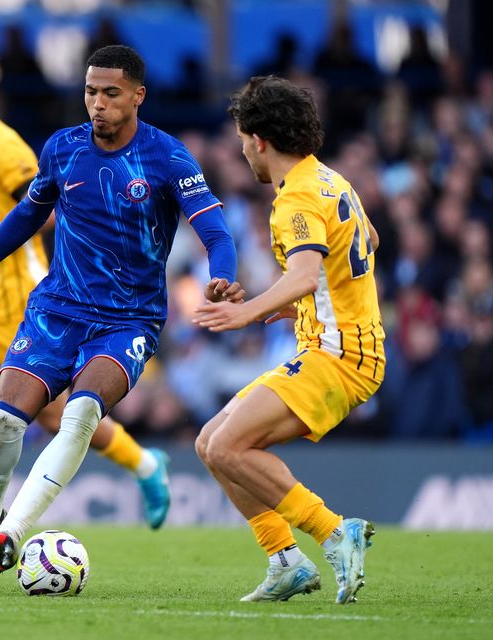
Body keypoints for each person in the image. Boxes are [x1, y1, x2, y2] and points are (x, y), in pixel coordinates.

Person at [0, 45, 240, 586]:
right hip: (58, 309)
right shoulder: (63, 150)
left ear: (137, 96)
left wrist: (222, 272)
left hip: (128, 320)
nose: (97, 103)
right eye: (90, 91)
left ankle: (10, 536)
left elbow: (213, 230)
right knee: (1, 423)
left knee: (81, 413)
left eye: (110, 93)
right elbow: (24, 219)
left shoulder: (166, 156)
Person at [0, 48, 174, 560]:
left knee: (57, 418)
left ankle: (145, 464)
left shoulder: (10, 150)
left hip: (34, 301)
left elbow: (43, 212)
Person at [193, 75, 384, 604]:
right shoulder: (329, 180)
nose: (240, 150)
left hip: (338, 355)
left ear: (258, 140)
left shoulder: (295, 199)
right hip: (339, 343)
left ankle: (332, 531)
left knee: (231, 445)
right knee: (211, 442)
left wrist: (249, 313)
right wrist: (302, 306)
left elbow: (303, 276)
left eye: (240, 139)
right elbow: (367, 241)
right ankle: (284, 561)